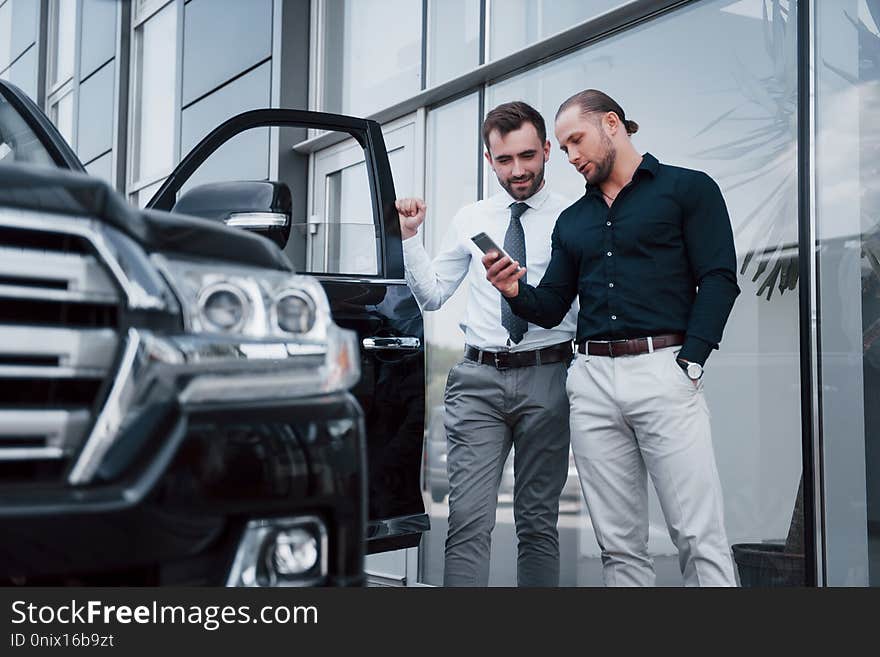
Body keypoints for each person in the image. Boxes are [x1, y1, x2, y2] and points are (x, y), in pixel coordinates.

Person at [483, 89, 740, 587]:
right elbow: (552, 305)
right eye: (564, 147)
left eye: (577, 140)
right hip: (592, 381)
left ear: (613, 124)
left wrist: (692, 360)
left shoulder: (688, 190)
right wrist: (515, 291)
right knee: (619, 548)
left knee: (697, 536)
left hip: (665, 369)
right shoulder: (572, 221)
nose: (572, 156)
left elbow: (718, 279)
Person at [395, 101, 577, 586]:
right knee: (467, 523)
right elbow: (432, 296)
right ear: (488, 160)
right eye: (504, 160)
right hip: (478, 380)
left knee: (538, 524)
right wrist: (410, 239)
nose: (517, 170)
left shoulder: (575, 217)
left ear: (545, 150)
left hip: (549, 375)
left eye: (526, 156)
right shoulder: (472, 217)